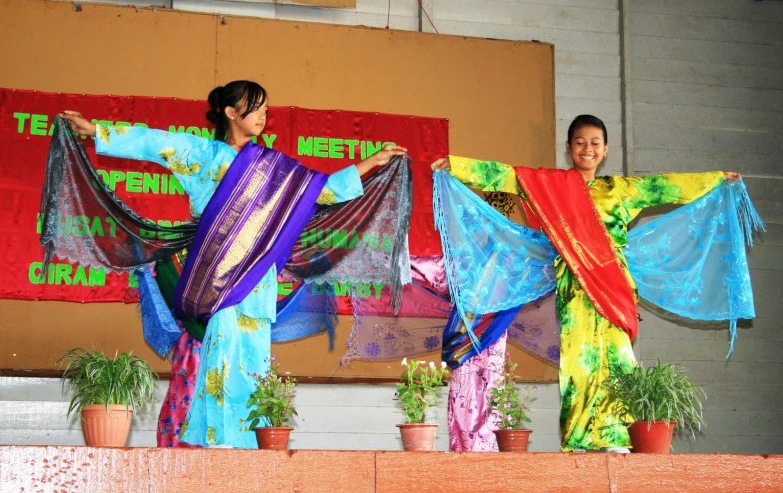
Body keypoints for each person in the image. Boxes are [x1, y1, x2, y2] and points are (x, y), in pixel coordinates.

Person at [60, 80, 406, 448]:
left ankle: (246, 451)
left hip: (257, 284)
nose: (262, 114)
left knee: (254, 368)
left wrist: (373, 162)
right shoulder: (203, 154)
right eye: (255, 107)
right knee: (223, 366)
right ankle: (224, 449)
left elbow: (322, 191)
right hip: (219, 280)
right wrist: (96, 129)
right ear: (230, 112)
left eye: (265, 109)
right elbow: (152, 142)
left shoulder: (273, 168)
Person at [431, 114, 740, 452]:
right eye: (580, 142)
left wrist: (716, 180)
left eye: (595, 143)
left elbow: (665, 186)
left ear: (605, 150)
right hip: (574, 289)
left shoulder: (619, 190)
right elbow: (508, 176)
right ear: (568, 148)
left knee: (618, 361)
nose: (587, 149)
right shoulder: (551, 186)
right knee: (579, 364)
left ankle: (618, 437)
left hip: (613, 289)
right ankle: (579, 441)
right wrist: (458, 166)